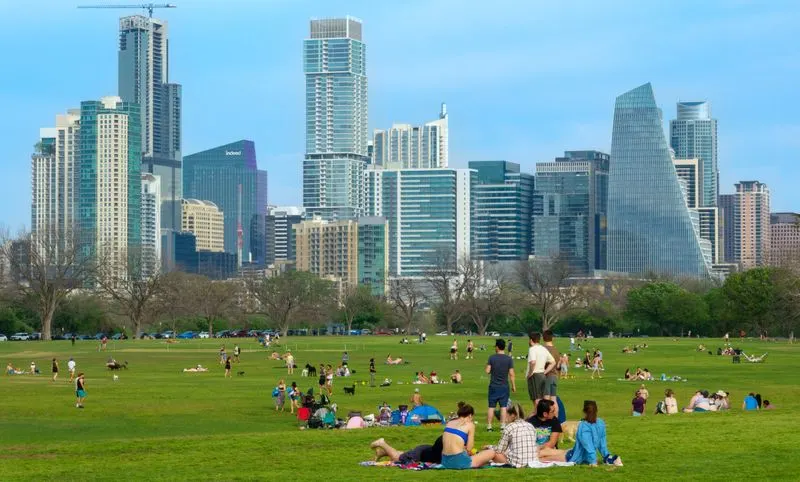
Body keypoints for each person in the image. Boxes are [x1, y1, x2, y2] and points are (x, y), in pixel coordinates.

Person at [538, 400, 622, 467]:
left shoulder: (583, 426)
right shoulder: (600, 423)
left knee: (540, 458)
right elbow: (602, 444)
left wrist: (593, 461)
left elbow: (588, 445)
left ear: (584, 411)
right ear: (596, 410)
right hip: (573, 452)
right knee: (543, 452)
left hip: (574, 457)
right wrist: (606, 456)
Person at [441, 402, 496, 469]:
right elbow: (469, 448)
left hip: (444, 461)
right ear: (470, 415)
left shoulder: (450, 422)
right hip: (459, 462)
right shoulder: (470, 425)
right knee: (491, 452)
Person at [487, 402, 538, 468]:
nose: (506, 417)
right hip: (533, 461)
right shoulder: (531, 426)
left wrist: (489, 447)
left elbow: (500, 450)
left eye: (507, 414)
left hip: (517, 463)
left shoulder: (509, 427)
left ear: (513, 415)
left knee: (490, 453)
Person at [486, 338, 516, 432]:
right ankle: (502, 426)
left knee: (491, 407)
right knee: (503, 407)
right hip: (504, 386)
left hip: (494, 386)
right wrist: (513, 385)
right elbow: (511, 374)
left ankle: (489, 426)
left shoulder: (492, 357)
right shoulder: (509, 359)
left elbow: (487, 371)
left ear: (497, 347)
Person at [526, 332, 555, 413]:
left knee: (536, 400)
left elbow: (533, 362)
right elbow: (553, 362)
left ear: (531, 340)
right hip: (542, 375)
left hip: (535, 375)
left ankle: (537, 418)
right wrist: (545, 372)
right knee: (541, 399)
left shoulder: (532, 349)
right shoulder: (543, 349)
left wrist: (530, 373)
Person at [370, 435, 444, 464]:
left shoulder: (447, 436)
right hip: (421, 454)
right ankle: (381, 443)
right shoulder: (446, 439)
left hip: (426, 451)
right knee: (397, 458)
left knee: (403, 455)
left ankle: (382, 452)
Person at [542, 330, 560, 415]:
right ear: (552, 338)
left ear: (543, 338)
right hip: (554, 376)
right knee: (554, 400)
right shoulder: (556, 350)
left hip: (547, 376)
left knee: (545, 400)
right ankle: (555, 418)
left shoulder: (544, 350)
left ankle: (546, 420)